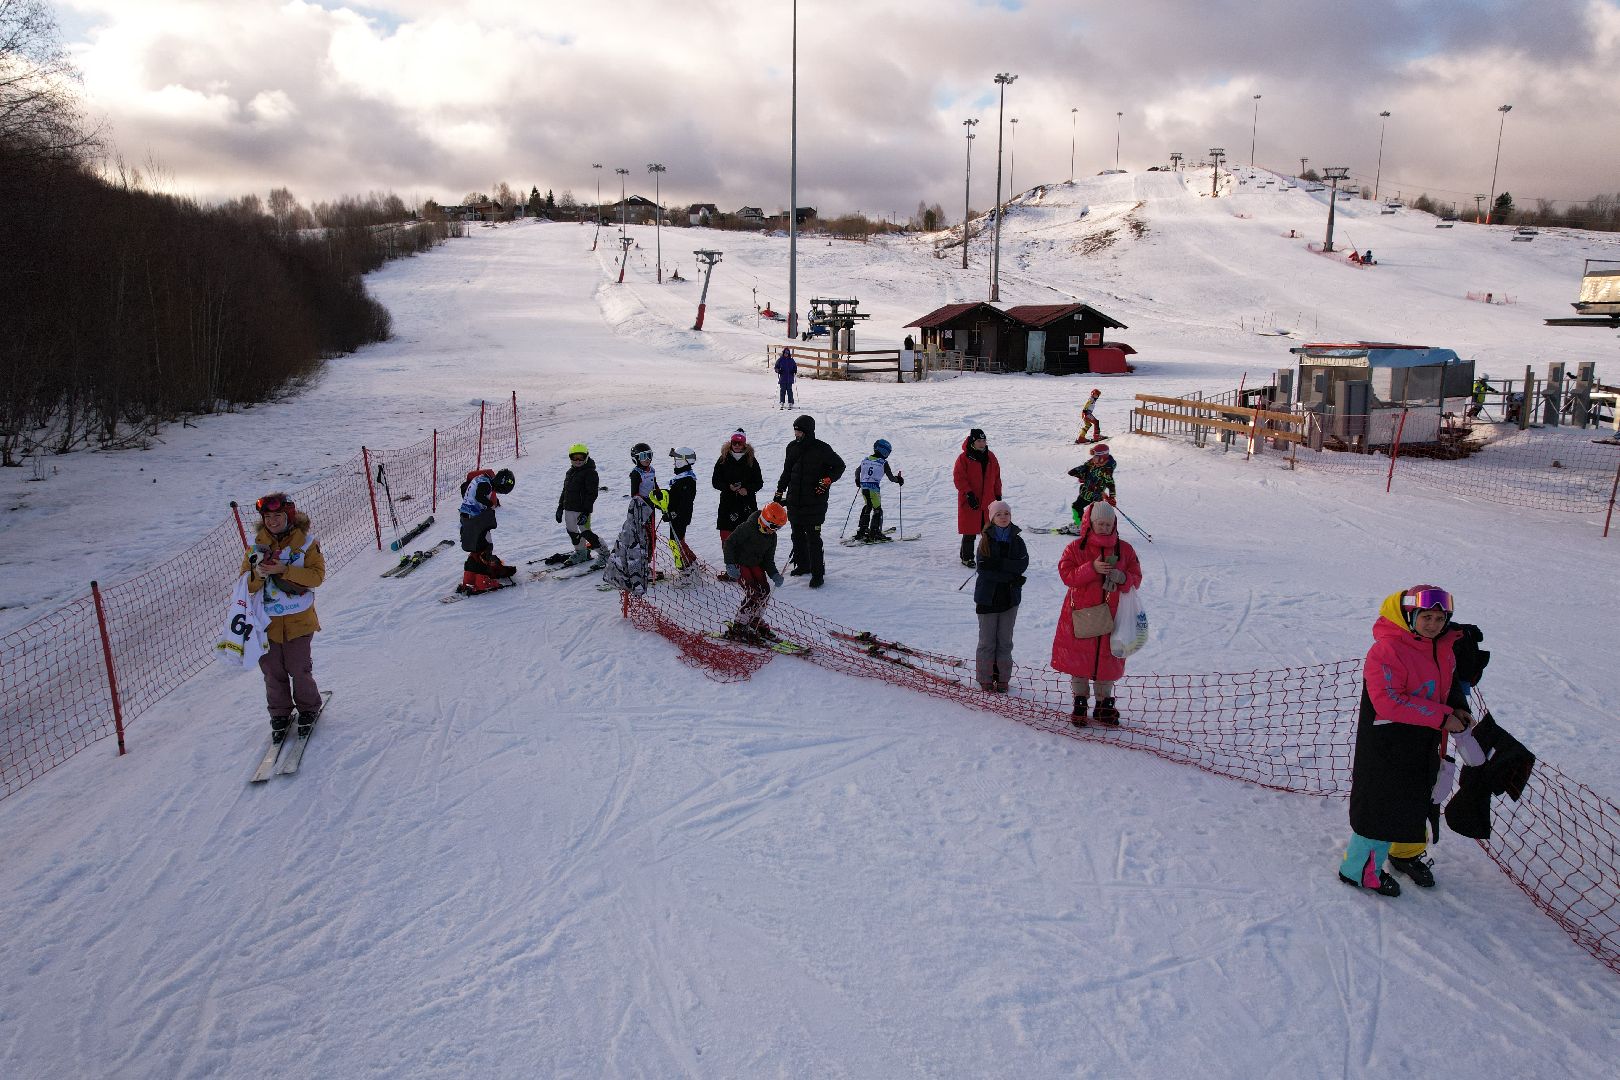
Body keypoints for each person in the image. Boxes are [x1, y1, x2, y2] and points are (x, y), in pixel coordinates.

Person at [1340, 586, 1472, 898]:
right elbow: (1388, 701)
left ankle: (1405, 852)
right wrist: (1442, 718)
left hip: (1424, 741)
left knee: (1420, 797)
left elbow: (1448, 682)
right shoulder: (1387, 649)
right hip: (1387, 744)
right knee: (1381, 804)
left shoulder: (1441, 647)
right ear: (1409, 615)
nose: (1434, 624)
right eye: (1426, 616)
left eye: (1440, 618)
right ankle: (1357, 869)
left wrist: (1458, 708)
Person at [241, 493, 327, 742]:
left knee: (299, 668)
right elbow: (244, 585)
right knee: (272, 670)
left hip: (299, 621)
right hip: (266, 623)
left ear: (288, 516)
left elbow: (316, 577)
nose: (272, 521)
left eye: (277, 516)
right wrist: (257, 575)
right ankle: (279, 712)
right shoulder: (256, 547)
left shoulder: (306, 544)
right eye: (267, 516)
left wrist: (284, 570)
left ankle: (308, 708)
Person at [1051, 502, 1142, 727]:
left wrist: (1123, 578)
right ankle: (1080, 702)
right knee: (1079, 659)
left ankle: (1104, 704)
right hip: (1082, 613)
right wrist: (1091, 568)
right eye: (1100, 523)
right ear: (1090, 523)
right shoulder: (1075, 548)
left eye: (1108, 524)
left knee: (1107, 659)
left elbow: (1136, 577)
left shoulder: (1125, 549)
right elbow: (1067, 575)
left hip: (1113, 616)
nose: (1104, 527)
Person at [774, 414, 844, 588]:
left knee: (813, 537)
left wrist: (828, 480)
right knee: (796, 535)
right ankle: (803, 565)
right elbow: (787, 472)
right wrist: (779, 491)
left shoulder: (822, 448)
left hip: (815, 502)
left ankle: (818, 573)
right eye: (795, 431)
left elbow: (839, 466)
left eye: (799, 431)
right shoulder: (791, 447)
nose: (796, 434)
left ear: (808, 431)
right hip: (794, 500)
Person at [973, 500, 1029, 693]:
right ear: (992, 518)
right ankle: (985, 678)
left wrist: (998, 564)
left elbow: (1021, 565)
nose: (1004, 517)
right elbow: (984, 569)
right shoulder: (985, 540)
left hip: (1009, 599)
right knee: (987, 642)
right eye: (999, 514)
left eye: (1007, 513)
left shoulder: (1017, 540)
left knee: (1005, 642)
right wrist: (1008, 571)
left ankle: (1003, 679)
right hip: (987, 598)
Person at [722, 502, 789, 641]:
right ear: (765, 521)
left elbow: (768, 560)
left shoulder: (772, 537)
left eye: (779, 528)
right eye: (773, 526)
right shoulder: (747, 528)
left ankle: (754, 620)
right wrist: (730, 564)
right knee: (753, 593)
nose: (774, 530)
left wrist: (774, 574)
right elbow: (729, 543)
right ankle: (739, 625)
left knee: (765, 591)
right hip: (740, 564)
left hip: (755, 564)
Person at [712, 428, 764, 578]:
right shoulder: (723, 459)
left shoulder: (751, 460)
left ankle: (746, 570)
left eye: (739, 443)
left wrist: (747, 490)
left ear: (744, 444)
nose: (736, 445)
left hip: (746, 504)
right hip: (727, 503)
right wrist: (727, 487)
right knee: (727, 536)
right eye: (734, 442)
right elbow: (715, 481)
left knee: (746, 536)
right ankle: (732, 570)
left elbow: (759, 482)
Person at [458, 467, 516, 593]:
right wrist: (490, 504)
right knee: (486, 546)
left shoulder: (481, 478)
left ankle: (469, 577)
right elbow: (479, 495)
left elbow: (467, 490)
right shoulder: (486, 484)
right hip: (475, 519)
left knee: (476, 548)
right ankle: (483, 580)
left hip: (466, 518)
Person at [952, 428, 1002, 567]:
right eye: (979, 441)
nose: (982, 443)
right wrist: (968, 494)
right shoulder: (964, 458)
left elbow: (996, 478)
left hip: (988, 500)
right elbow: (959, 478)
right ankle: (966, 557)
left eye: (984, 440)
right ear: (973, 442)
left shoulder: (991, 457)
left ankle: (987, 556)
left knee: (988, 531)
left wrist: (998, 495)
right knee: (970, 531)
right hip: (970, 500)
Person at [555, 443, 604, 566]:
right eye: (574, 457)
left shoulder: (590, 473)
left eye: (581, 457)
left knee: (586, 532)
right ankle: (581, 552)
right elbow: (565, 491)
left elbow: (592, 494)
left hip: (582, 510)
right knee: (572, 531)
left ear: (586, 457)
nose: (577, 461)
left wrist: (586, 512)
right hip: (569, 508)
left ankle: (604, 554)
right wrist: (560, 507)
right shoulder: (570, 472)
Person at [853, 438, 904, 542]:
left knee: (868, 506)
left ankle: (862, 531)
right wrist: (898, 480)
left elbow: (857, 471)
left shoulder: (866, 460)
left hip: (864, 488)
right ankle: (875, 532)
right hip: (874, 490)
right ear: (884, 451)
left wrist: (858, 481)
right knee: (877, 509)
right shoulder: (883, 463)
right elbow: (891, 478)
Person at [663, 447, 699, 579]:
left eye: (677, 460)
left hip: (681, 517)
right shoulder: (681, 478)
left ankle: (687, 569)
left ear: (685, 461)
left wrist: (673, 514)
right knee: (678, 540)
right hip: (677, 516)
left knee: (676, 541)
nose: (674, 463)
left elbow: (685, 503)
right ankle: (691, 561)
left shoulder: (687, 481)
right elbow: (675, 497)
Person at [1065, 442, 1117, 531]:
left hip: (1095, 495)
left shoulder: (1106, 470)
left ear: (1102, 458)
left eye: (1096, 458)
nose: (1094, 459)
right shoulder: (1093, 462)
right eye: (1094, 457)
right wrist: (1078, 473)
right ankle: (1079, 524)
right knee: (1076, 506)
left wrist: (1112, 497)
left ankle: (1084, 527)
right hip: (1086, 491)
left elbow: (1110, 484)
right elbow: (1085, 467)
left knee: (1092, 512)